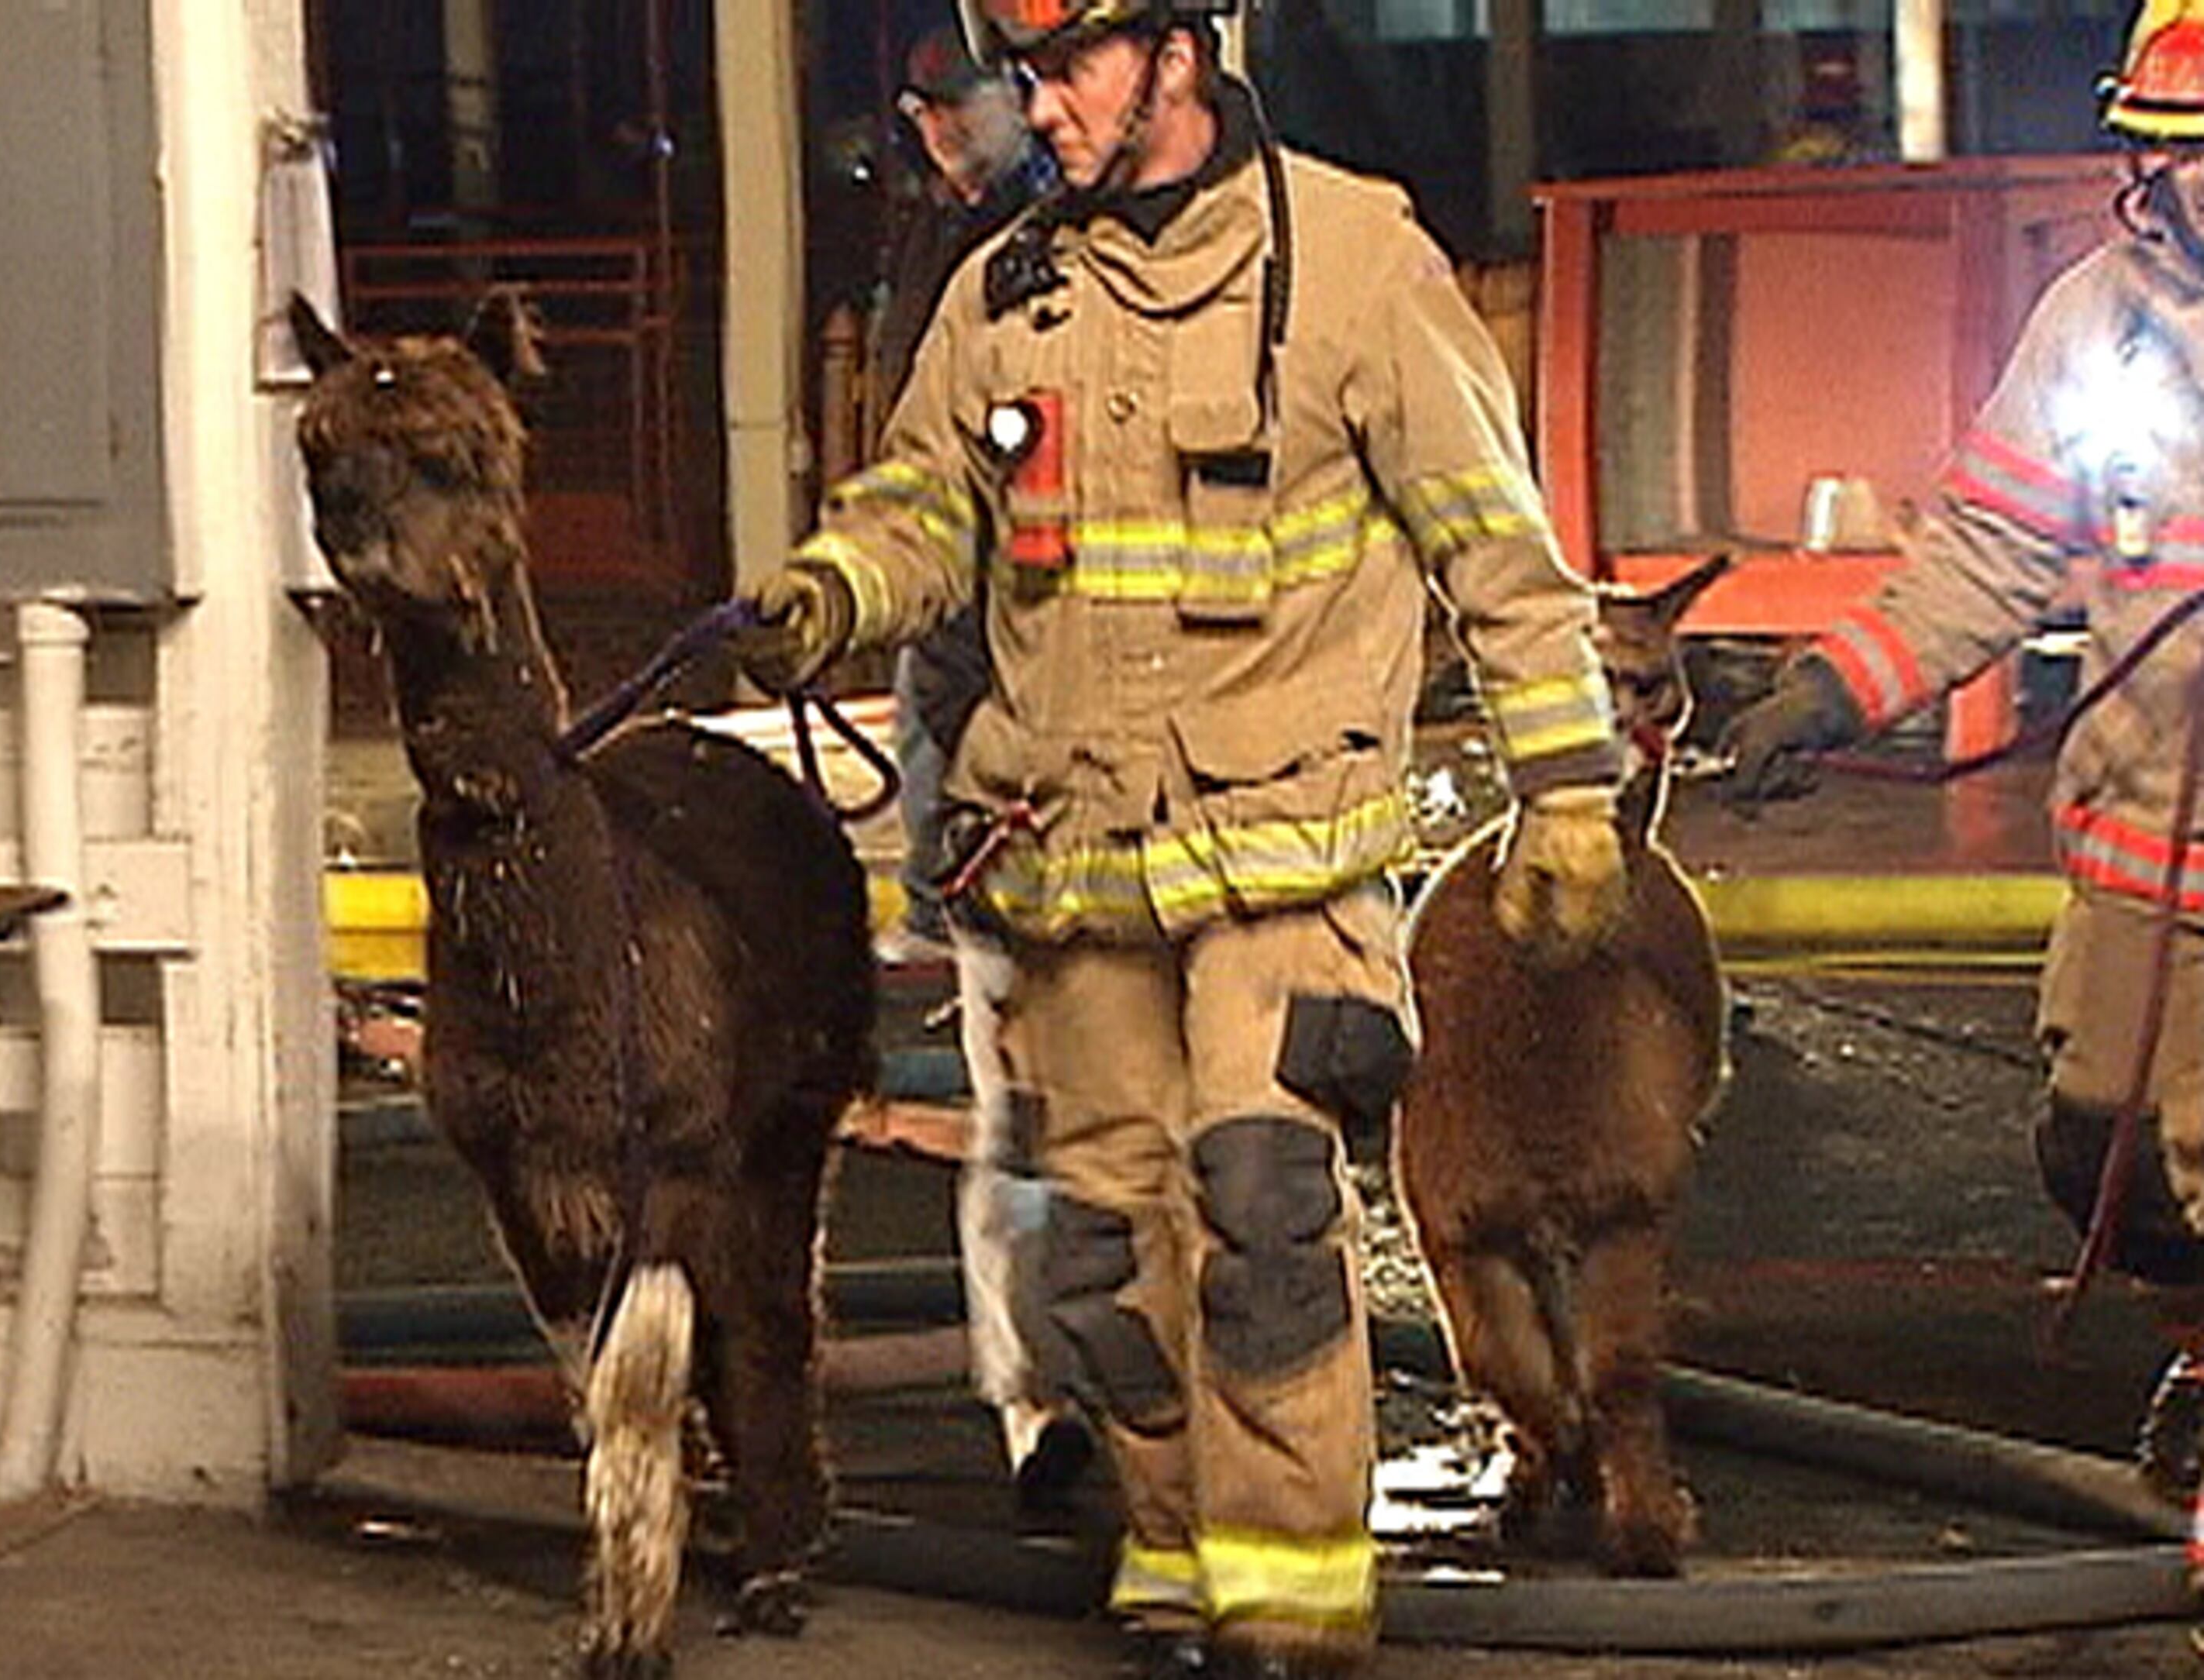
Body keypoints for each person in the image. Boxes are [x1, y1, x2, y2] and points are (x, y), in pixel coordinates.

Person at [738, 2, 1630, 1673]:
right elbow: (930, 499)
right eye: (1028, 71)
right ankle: (1172, 1540)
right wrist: (833, 585)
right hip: (1072, 853)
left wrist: (1565, 788)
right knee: (1102, 1247)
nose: (1038, 106)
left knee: (1263, 1197)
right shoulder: (1007, 293)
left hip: (1284, 850)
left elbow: (1497, 552)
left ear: (1179, 54)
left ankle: (1292, 1600)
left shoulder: (1358, 263)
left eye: (1067, 65)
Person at [1724, 2, 2204, 1300]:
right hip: (2147, 853)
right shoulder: (2098, 323)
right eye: (2181, 147)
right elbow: (1993, 548)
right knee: (2109, 1151)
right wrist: (1831, 691)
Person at [866, 22, 1095, 1511]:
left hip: (1133, 767)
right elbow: (921, 489)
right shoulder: (945, 262)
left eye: (971, 96)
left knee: (1189, 1140)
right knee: (1019, 1114)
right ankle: (1044, 1426)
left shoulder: (1103, 255)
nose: (942, 122)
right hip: (994, 751)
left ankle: (1130, 1410)